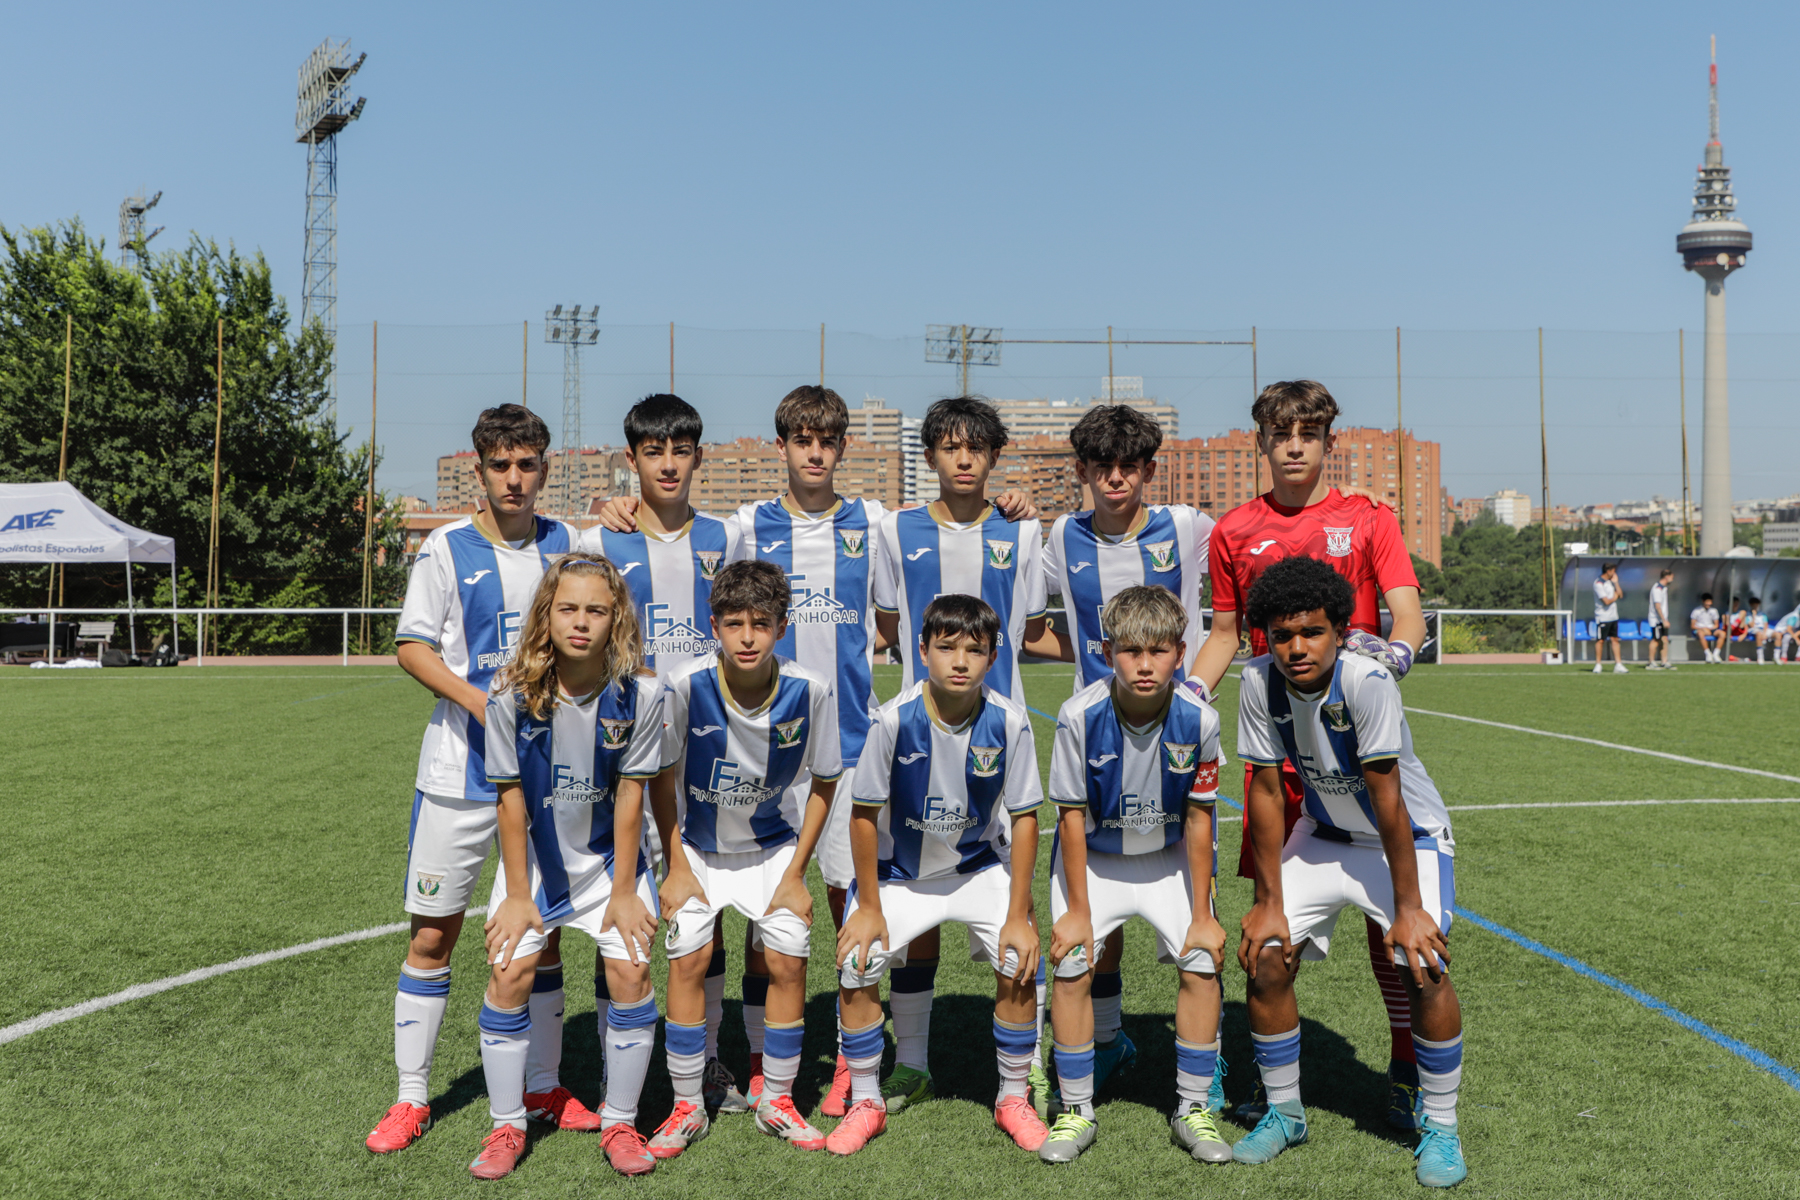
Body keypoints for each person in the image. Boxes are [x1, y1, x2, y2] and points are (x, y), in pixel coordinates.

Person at [1188, 379, 1429, 1130]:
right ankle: (1271, 1081)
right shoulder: (1234, 530)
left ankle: (1406, 1068)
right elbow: (1225, 634)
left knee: (1388, 927)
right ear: (1261, 441)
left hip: (1353, 746)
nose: (1294, 446)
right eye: (1280, 433)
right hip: (1274, 753)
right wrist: (1188, 696)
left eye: (1308, 433)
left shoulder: (1368, 518)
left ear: (1328, 441)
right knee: (1267, 923)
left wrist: (1396, 655)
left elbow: (1408, 613)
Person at [367, 405, 585, 1155]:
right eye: (500, 466)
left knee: (542, 940)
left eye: (527, 465)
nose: (514, 479)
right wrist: (480, 704)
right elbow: (412, 647)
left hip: (548, 778)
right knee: (433, 934)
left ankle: (543, 1085)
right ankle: (411, 1098)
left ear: (545, 470)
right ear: (479, 471)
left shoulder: (568, 544)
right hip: (458, 775)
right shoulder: (446, 548)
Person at [1233, 555, 1467, 1188]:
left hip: (1407, 839)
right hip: (1324, 833)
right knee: (1266, 956)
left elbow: (1388, 800)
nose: (1296, 648)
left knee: (1423, 964)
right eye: (1282, 635)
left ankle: (1441, 1127)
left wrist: (1409, 910)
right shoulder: (1256, 680)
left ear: (1340, 630)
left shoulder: (1367, 680)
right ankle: (1285, 1113)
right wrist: (1268, 900)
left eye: (1312, 632)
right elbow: (1266, 792)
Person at [869, 395, 1057, 1114]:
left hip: (999, 741)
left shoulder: (1022, 528)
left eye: (977, 447)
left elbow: (1030, 626)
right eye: (950, 447)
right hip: (916, 739)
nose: (965, 459)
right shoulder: (896, 528)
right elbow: (889, 620)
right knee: (914, 897)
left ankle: (1026, 1070)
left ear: (994, 456)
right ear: (931, 457)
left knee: (1017, 911)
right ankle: (911, 1064)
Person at [1037, 402, 1216, 1111]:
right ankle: (1106, 1042)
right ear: (1082, 471)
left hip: (1171, 731)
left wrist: (1193, 687)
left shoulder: (1188, 527)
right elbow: (1029, 620)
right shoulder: (1061, 535)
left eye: (1129, 467)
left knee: (1194, 915)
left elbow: (1231, 604)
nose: (1116, 479)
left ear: (1149, 469)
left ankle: (1204, 1072)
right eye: (1101, 467)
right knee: (1094, 918)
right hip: (1097, 740)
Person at [830, 594, 1048, 1157]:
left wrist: (1019, 913)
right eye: (946, 647)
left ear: (993, 657)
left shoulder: (1010, 721)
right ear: (922, 651)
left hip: (976, 867)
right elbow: (862, 815)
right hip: (901, 873)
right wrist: (870, 907)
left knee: (1018, 958)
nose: (960, 661)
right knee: (858, 961)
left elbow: (1026, 819)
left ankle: (1013, 1097)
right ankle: (866, 1101)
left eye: (974, 651)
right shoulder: (892, 720)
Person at [470, 554, 666, 1179]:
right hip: (535, 865)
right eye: (568, 609)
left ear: (617, 620)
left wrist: (626, 892)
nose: (581, 622)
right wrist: (517, 896)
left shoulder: (643, 694)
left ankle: (620, 1122)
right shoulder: (509, 694)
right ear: (545, 616)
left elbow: (632, 798)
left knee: (631, 971)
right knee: (510, 972)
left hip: (611, 864)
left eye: (596, 611)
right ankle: (507, 1124)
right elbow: (510, 800)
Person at [578, 394, 748, 1111]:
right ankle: (612, 1070)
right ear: (632, 459)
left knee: (704, 907)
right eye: (654, 452)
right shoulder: (599, 539)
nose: (669, 464)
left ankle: (706, 1060)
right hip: (623, 754)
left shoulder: (728, 536)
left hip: (709, 750)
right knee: (620, 908)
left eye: (681, 451)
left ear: (699, 457)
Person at [647, 560, 842, 1157]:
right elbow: (660, 775)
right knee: (689, 954)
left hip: (772, 847)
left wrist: (797, 872)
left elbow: (826, 781)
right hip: (697, 848)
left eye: (762, 623)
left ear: (783, 626)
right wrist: (676, 864)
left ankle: (777, 1100)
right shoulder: (684, 685)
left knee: (787, 954)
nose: (748, 637)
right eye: (734, 624)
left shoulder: (811, 690)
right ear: (714, 627)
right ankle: (687, 1105)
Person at [1038, 586, 1230, 1165]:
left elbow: (1199, 819)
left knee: (1202, 958)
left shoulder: (1200, 719)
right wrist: (1077, 911)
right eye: (1130, 651)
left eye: (1158, 651)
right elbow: (1071, 818)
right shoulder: (1078, 715)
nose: (1144, 665)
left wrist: (1203, 914)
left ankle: (1193, 1107)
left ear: (1180, 653)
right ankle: (1076, 1109)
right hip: (1095, 858)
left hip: (1167, 856)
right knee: (1072, 961)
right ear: (1107, 652)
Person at [1591, 563, 1626, 674]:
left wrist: (1616, 583)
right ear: (1608, 571)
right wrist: (1615, 596)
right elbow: (1606, 601)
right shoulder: (1598, 583)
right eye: (1613, 571)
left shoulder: (1611, 582)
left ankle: (1618, 664)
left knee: (1615, 639)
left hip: (1613, 616)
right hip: (1602, 617)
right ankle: (1598, 664)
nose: (1615, 573)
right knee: (1601, 641)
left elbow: (1620, 595)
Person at [1646, 568, 1675, 671]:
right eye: (1671, 577)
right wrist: (1664, 620)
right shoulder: (1657, 589)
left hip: (1662, 619)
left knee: (1664, 639)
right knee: (1655, 640)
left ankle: (1664, 661)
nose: (1672, 579)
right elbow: (1657, 606)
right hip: (1656, 620)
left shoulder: (1664, 588)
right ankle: (1651, 662)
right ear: (1667, 577)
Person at [1690, 593, 1726, 663]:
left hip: (1711, 629)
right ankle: (1708, 654)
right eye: (1707, 602)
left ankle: (1716, 654)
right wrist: (1703, 629)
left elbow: (1716, 625)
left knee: (1723, 634)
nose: (1709, 604)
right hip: (1700, 629)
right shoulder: (1696, 611)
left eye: (1710, 602)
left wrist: (1709, 629)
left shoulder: (1714, 611)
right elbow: (1692, 626)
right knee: (1700, 634)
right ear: (1703, 601)